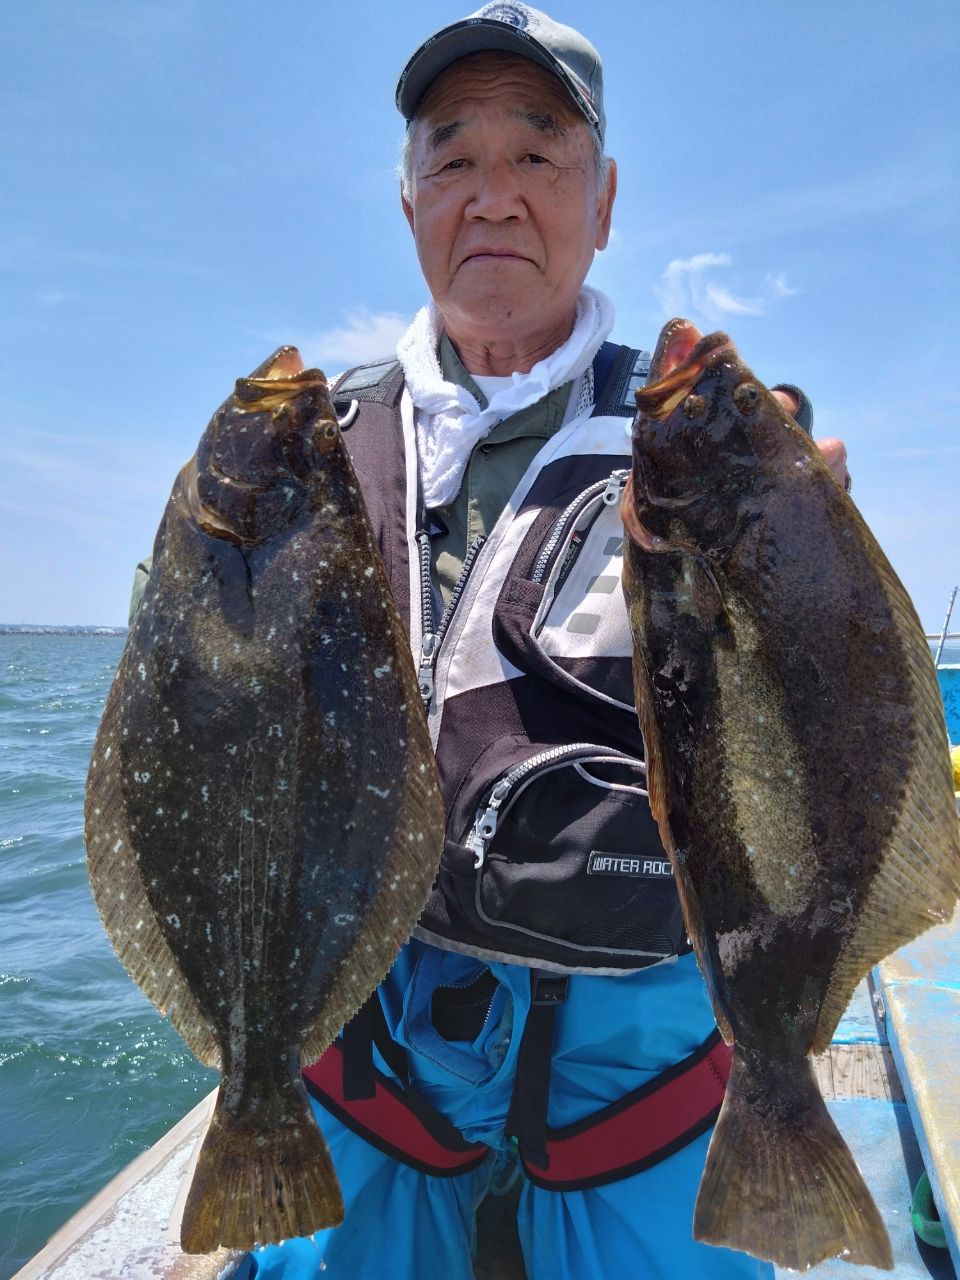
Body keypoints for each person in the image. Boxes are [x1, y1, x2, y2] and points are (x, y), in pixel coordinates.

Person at [228, 7, 849, 1278]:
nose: (493, 195)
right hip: (369, 1048)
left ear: (604, 198)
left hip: (646, 1068)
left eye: (539, 153)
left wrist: (817, 572)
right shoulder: (304, 449)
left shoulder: (702, 439)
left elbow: (821, 740)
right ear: (407, 203)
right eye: (452, 159)